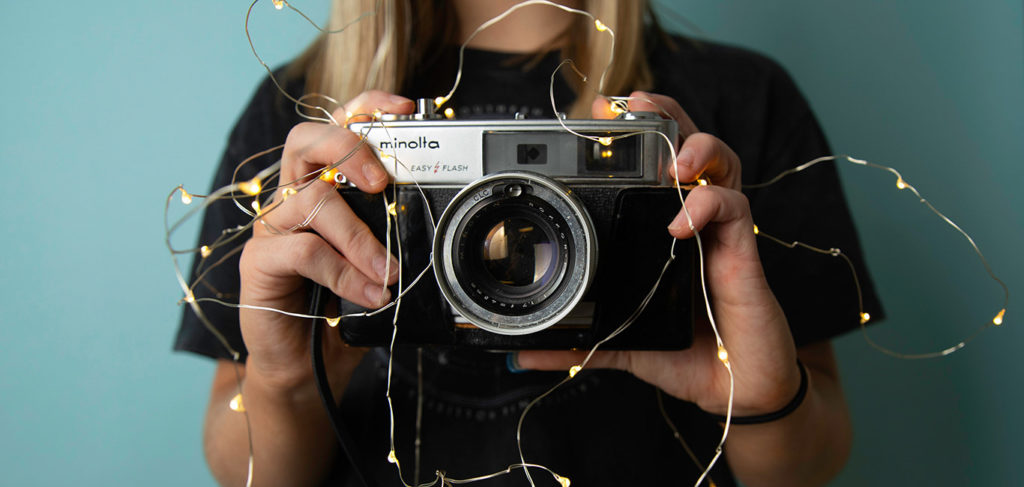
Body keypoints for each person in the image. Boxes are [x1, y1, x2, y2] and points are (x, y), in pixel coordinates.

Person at [175, 1, 883, 486]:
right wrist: (289, 379)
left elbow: (810, 460)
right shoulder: (308, 114)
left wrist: (755, 397)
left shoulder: (736, 101)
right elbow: (242, 465)